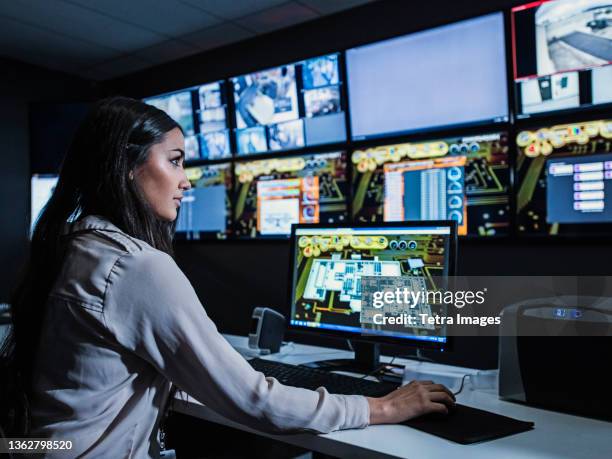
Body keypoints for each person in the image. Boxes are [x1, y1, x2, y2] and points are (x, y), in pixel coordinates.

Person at [1, 97, 455, 457]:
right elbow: (255, 400)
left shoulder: (69, 246)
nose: (186, 181)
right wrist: (382, 406)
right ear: (127, 166)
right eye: (175, 161)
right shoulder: (135, 266)